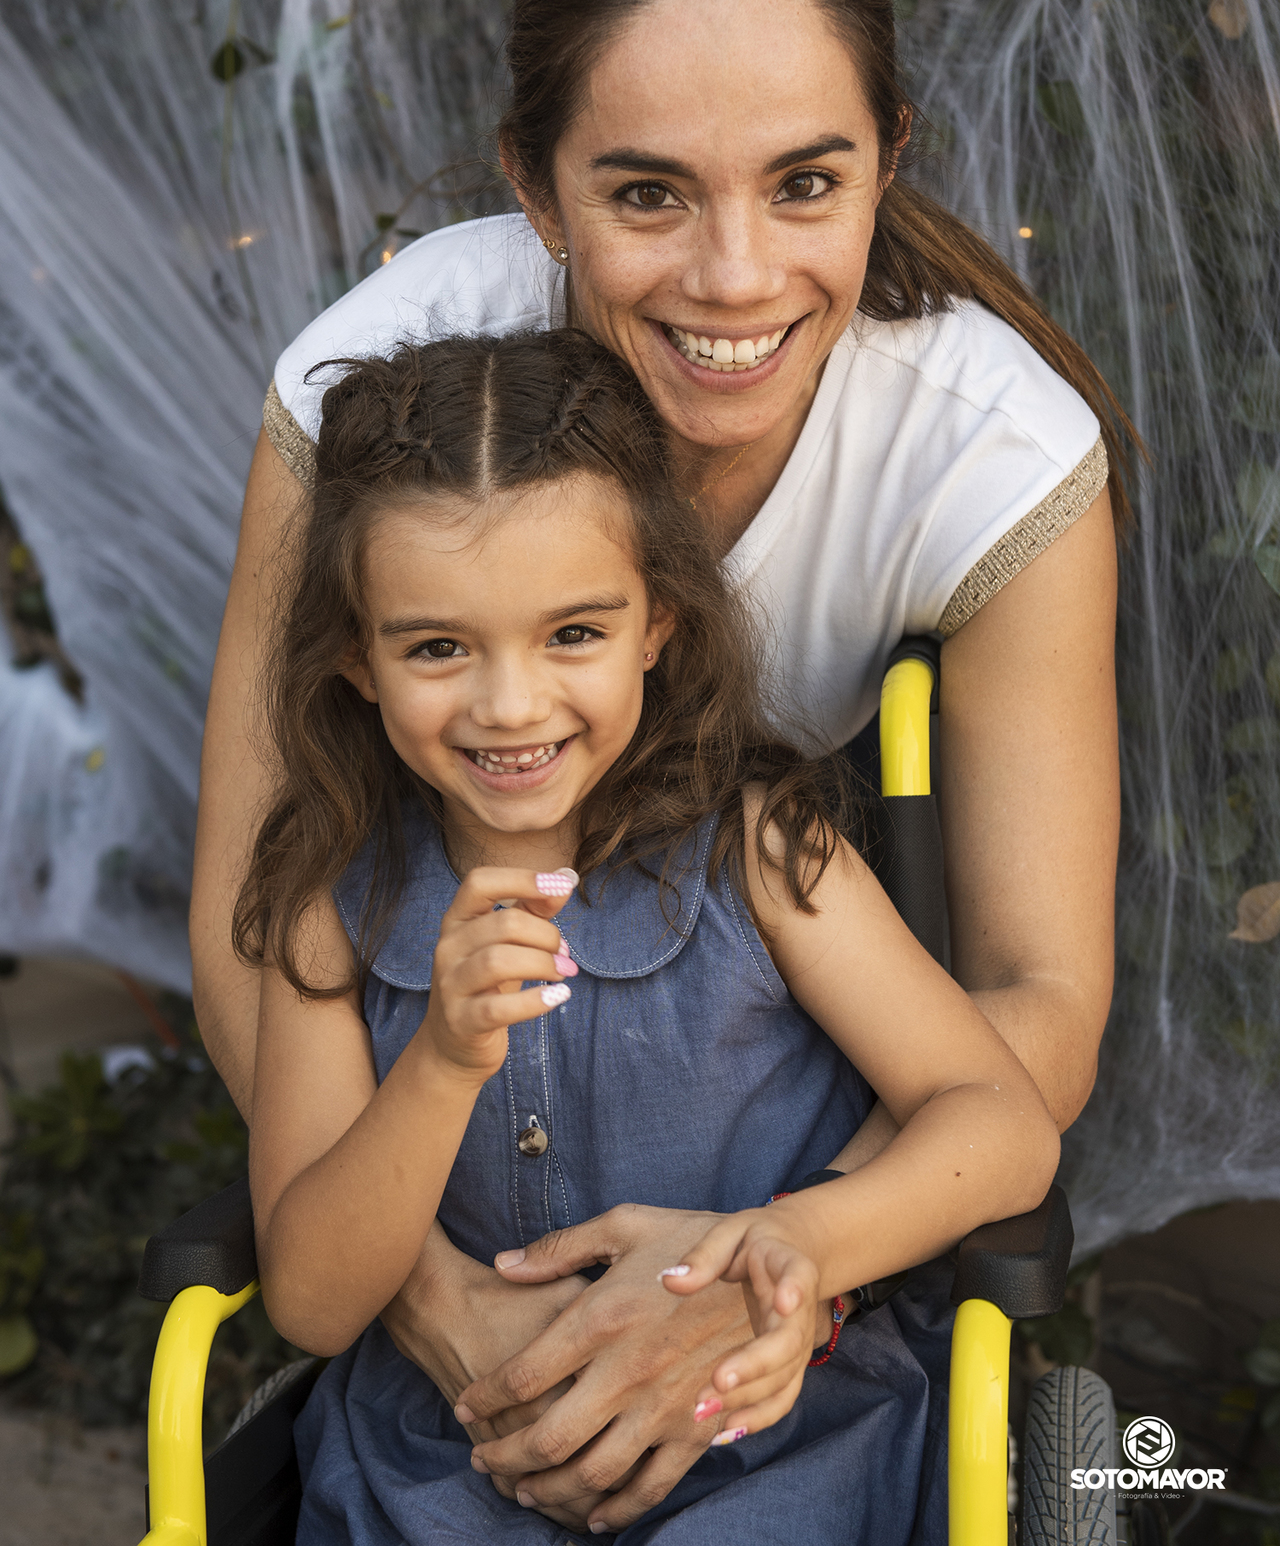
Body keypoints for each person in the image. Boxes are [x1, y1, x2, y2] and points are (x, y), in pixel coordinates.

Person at [193, 0, 1125, 1534]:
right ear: (536, 192)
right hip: (442, 1310)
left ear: (886, 162)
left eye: (804, 184)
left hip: (766, 1239)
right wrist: (458, 1313)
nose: (734, 278)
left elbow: (1031, 1017)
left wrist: (765, 1274)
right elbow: (247, 934)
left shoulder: (986, 460)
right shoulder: (377, 406)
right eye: (645, 194)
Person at [243, 329, 1059, 1544]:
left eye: (572, 633)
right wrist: (441, 1063)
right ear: (357, 658)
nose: (509, 704)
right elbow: (311, 1295)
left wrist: (795, 1241)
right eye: (435, 647)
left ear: (658, 624)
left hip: (779, 1442)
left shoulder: (762, 852)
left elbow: (995, 1118)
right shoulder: (331, 898)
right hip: (449, 1463)